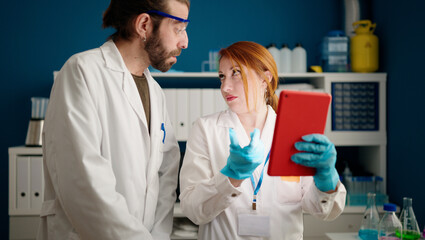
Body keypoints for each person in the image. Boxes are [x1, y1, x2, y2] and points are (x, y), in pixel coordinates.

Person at [37, 0, 190, 239]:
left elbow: (166, 176)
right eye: (178, 28)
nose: (185, 42)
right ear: (144, 25)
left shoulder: (155, 92)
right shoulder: (82, 72)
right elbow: (84, 184)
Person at [179, 41, 347, 239]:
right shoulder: (206, 129)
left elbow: (324, 211)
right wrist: (231, 177)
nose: (225, 86)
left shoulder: (294, 131)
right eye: (222, 76)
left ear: (264, 78)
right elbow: (192, 209)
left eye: (236, 73)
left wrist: (326, 178)